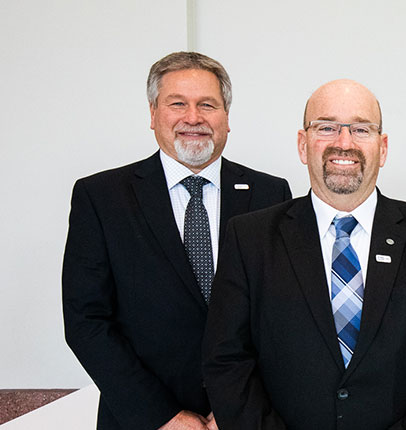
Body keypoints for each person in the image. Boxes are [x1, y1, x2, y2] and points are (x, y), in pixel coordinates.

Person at [202, 79, 406, 429]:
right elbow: (227, 361)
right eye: (327, 127)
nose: (343, 143)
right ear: (303, 145)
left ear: (383, 147)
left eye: (361, 129)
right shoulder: (250, 238)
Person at [62, 52, 292, 430]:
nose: (193, 118)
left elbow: (284, 317)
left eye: (207, 105)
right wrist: (162, 416)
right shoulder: (101, 197)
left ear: (227, 118)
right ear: (153, 114)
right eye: (177, 104)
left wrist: (239, 407)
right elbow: (86, 322)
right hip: (141, 421)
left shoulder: (271, 194)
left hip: (246, 419)